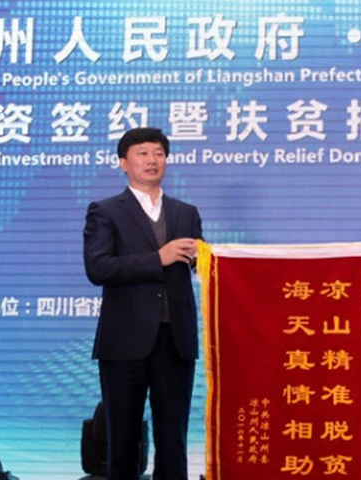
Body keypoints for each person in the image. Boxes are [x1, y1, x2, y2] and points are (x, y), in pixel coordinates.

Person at [83, 127, 202, 480]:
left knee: (173, 437)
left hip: (175, 340)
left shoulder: (186, 212)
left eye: (159, 153)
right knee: (122, 437)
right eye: (143, 153)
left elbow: (199, 264)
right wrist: (158, 258)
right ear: (123, 163)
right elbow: (98, 268)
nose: (152, 160)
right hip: (124, 341)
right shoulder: (105, 211)